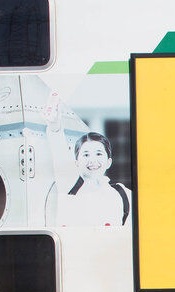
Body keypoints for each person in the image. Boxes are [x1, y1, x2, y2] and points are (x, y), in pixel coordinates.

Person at [45, 94, 132, 227]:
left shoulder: (122, 194)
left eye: (98, 154)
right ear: (76, 162)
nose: (92, 160)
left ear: (109, 161)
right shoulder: (68, 186)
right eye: (86, 155)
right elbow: (59, 152)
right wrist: (54, 125)